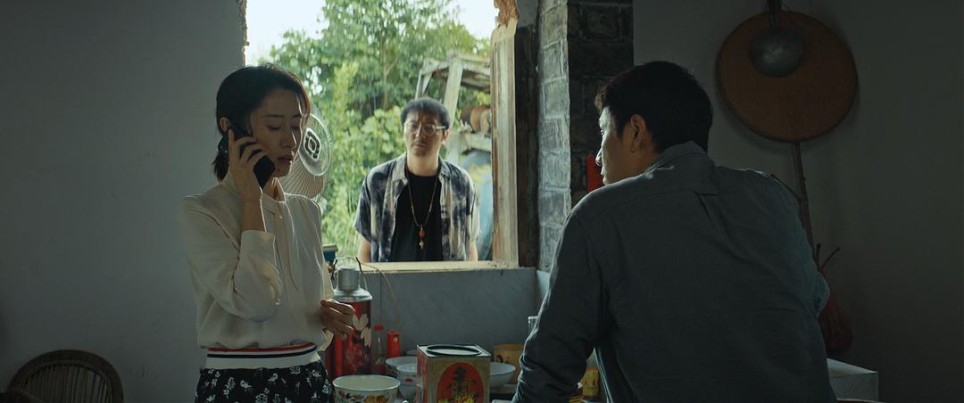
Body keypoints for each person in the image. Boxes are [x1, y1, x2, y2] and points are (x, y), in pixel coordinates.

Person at [513, 61, 835, 402]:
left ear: (635, 131)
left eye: (603, 133)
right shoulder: (772, 196)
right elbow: (810, 308)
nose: (597, 158)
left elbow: (546, 376)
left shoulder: (600, 217)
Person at [178, 64, 354, 402]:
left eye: (297, 125)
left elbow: (315, 318)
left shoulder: (306, 211)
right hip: (239, 385)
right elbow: (257, 303)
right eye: (274, 126)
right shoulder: (201, 212)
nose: (291, 140)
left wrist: (328, 316)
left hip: (309, 381)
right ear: (230, 129)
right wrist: (251, 199)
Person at [355, 97, 479, 263]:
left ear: (445, 135)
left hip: (447, 279)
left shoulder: (461, 184)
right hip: (388, 280)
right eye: (412, 126)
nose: (419, 134)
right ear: (403, 130)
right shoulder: (378, 181)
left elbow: (470, 249)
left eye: (429, 128)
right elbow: (365, 251)